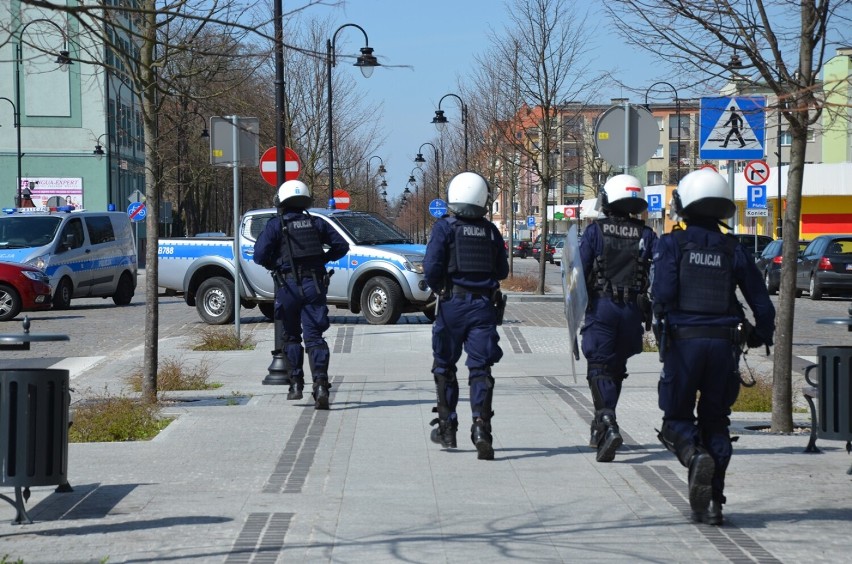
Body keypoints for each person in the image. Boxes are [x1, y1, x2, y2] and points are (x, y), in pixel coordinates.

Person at [651, 168, 775, 526]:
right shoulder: (732, 248)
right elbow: (762, 304)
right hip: (725, 346)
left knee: (676, 419)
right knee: (716, 423)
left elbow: (662, 294)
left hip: (685, 345)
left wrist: (661, 322)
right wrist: (758, 335)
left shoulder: (673, 243)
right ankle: (713, 504)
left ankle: (692, 456)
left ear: (685, 204)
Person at [423, 172, 509, 460]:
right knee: (481, 369)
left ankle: (447, 428)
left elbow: (432, 266)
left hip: (452, 305)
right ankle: (482, 428)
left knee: (445, 366)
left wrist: (442, 289)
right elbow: (502, 271)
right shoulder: (490, 231)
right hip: (484, 307)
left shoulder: (444, 228)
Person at [579, 174, 657, 463]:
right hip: (633, 312)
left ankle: (608, 422)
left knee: (598, 367)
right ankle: (600, 425)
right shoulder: (647, 234)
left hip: (602, 308)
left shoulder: (595, 232)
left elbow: (577, 271)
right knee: (616, 368)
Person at [253, 180, 350, 409]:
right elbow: (342, 245)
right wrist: (322, 259)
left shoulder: (276, 226)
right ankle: (321, 385)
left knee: (291, 336)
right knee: (314, 337)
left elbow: (259, 255)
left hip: (287, 287)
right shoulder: (317, 223)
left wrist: (275, 263)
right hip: (314, 285)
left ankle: (296, 383)